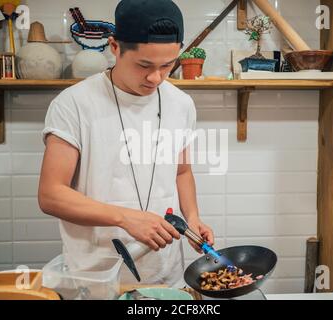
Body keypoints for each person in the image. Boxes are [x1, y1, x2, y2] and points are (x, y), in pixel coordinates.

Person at [38, 0, 214, 288]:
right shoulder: (74, 104)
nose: (156, 77)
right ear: (115, 47)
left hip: (166, 277)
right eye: (144, 65)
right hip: (96, 278)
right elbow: (50, 195)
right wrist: (125, 218)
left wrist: (193, 218)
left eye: (167, 65)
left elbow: (181, 171)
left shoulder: (181, 103)